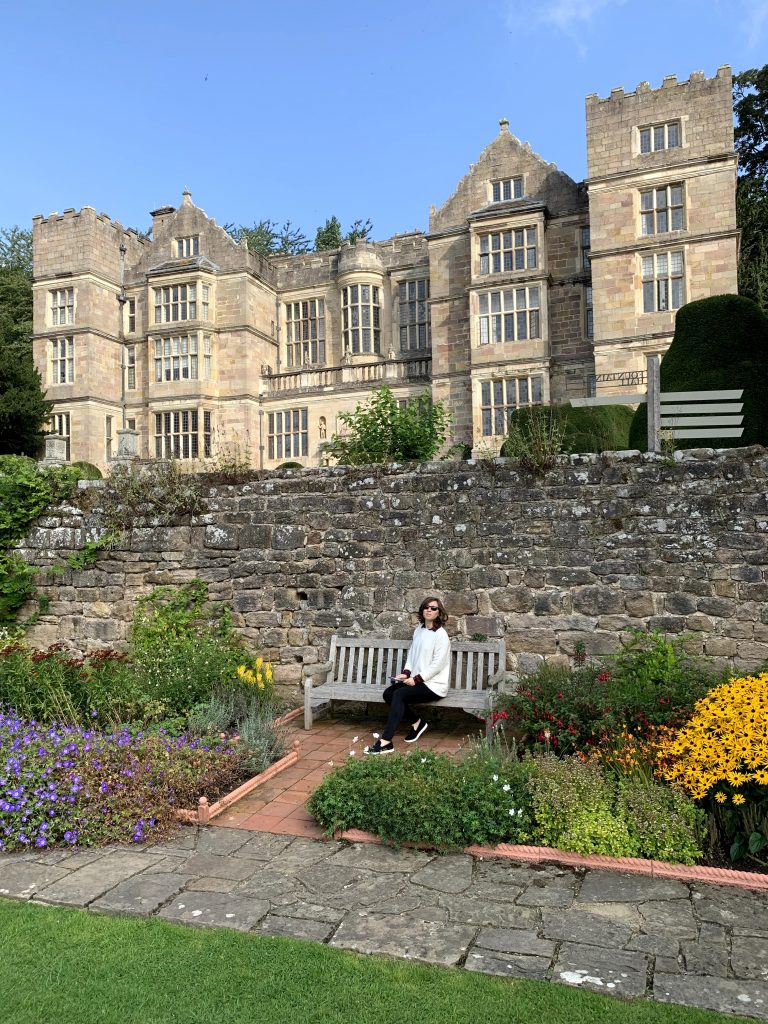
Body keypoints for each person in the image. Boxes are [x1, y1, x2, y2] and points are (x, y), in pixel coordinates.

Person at [366, 597, 450, 754]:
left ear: (439, 613)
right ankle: (417, 723)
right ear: (422, 610)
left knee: (399, 695)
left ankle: (386, 741)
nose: (429, 610)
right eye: (426, 607)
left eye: (433, 608)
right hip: (418, 681)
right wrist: (406, 673)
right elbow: (412, 654)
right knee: (389, 693)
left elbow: (437, 665)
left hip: (434, 685)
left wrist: (417, 679)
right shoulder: (419, 630)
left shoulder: (441, 635)